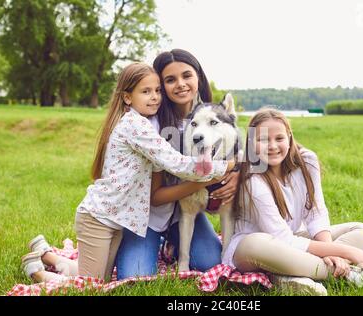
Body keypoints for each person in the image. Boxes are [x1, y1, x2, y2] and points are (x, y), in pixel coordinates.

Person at [20, 62, 235, 283]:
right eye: (146, 91)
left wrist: (237, 169)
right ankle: (37, 271)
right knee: (91, 285)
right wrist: (226, 167)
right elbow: (176, 163)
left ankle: (49, 256)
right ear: (127, 97)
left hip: (116, 218)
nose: (155, 97)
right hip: (101, 217)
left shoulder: (144, 120)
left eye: (157, 91)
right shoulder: (138, 125)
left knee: (99, 278)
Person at [221, 108, 363, 296]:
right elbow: (282, 238)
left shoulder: (307, 161)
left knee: (361, 231)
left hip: (293, 239)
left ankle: (286, 276)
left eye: (279, 138)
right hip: (254, 251)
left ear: (289, 138)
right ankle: (351, 275)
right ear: (251, 143)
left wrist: (331, 252)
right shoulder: (253, 180)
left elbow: (316, 212)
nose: (272, 146)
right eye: (263, 140)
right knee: (255, 243)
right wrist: (346, 252)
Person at [115, 49, 241, 279]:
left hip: (186, 214)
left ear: (198, 78)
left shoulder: (211, 115)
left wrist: (237, 174)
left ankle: (172, 245)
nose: (180, 84)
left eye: (187, 76)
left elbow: (247, 150)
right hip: (147, 217)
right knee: (136, 277)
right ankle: (140, 244)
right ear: (161, 86)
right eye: (170, 80)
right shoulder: (150, 125)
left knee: (210, 262)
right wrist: (214, 176)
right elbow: (155, 197)